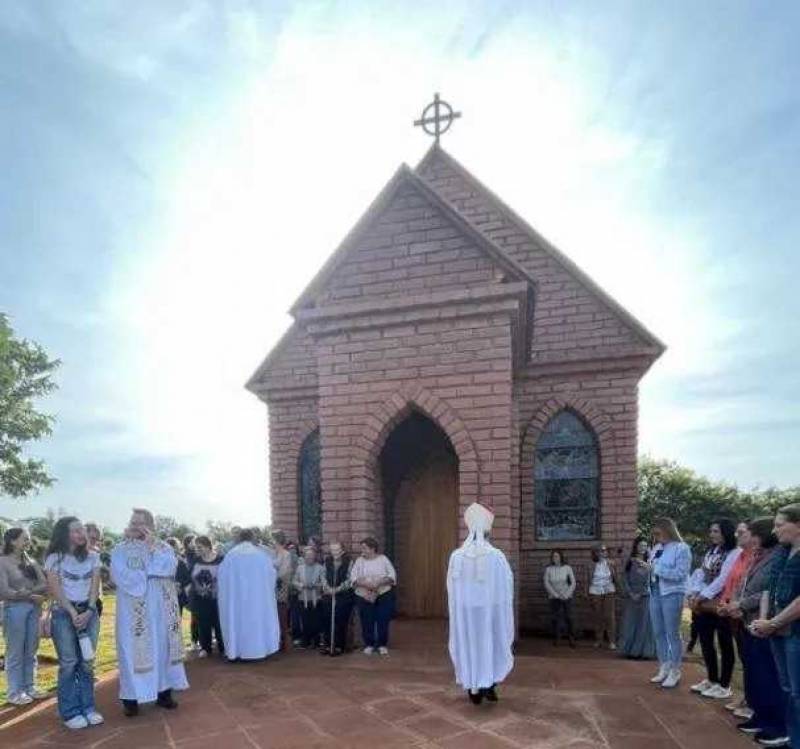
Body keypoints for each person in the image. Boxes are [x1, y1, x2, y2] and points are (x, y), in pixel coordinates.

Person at [111, 508, 188, 717]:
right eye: (132, 522)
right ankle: (131, 698)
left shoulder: (162, 547)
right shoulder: (120, 549)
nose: (135, 526)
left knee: (162, 648)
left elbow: (169, 567)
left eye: (139, 523)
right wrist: (148, 574)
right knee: (131, 651)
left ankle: (164, 692)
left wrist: (151, 551)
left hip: (161, 610)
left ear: (150, 526)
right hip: (132, 610)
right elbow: (120, 575)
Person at [722, 517, 786, 746]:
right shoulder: (759, 556)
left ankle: (776, 724)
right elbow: (743, 584)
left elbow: (770, 590)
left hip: (765, 623)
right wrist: (735, 603)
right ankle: (760, 715)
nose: (752, 539)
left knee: (768, 676)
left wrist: (741, 604)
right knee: (754, 673)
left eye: (754, 535)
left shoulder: (780, 556)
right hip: (748, 621)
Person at [447, 502, 514, 705]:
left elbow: (451, 588)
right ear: (487, 531)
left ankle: (474, 688)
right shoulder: (497, 556)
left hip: (467, 613)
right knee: (490, 645)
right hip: (489, 612)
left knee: (471, 646)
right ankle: (488, 685)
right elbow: (507, 584)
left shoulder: (457, 556)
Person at [44, 516, 103, 729]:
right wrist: (71, 611)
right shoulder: (54, 558)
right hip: (63, 613)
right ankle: (69, 712)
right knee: (68, 663)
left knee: (87, 662)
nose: (81, 534)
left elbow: (94, 587)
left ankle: (88, 707)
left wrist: (88, 610)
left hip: (89, 612)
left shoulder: (94, 557)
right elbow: (55, 589)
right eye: (76, 531)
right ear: (64, 534)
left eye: (82, 530)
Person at [751, 504, 800, 749]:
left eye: (780, 525)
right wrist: (764, 621)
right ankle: (792, 740)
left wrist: (774, 622)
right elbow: (768, 589)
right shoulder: (782, 552)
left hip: (794, 632)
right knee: (788, 688)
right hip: (776, 629)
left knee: (798, 691)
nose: (775, 530)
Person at [688, 518, 740, 699]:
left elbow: (723, 579)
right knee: (706, 641)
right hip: (705, 602)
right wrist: (695, 593)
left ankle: (724, 684)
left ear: (725, 533)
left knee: (725, 643)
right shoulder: (712, 551)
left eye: (716, 531)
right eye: (711, 531)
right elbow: (701, 574)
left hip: (721, 602)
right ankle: (712, 678)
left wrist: (702, 596)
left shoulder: (734, 553)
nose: (712, 535)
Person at [0, 528, 48, 706]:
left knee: (31, 650)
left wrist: (26, 594)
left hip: (33, 609)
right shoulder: (2, 562)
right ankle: (14, 692)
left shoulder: (31, 560)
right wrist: (30, 595)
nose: (28, 541)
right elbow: (3, 591)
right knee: (15, 651)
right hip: (14, 610)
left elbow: (43, 583)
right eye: (24, 538)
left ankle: (30, 687)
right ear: (12, 541)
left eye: (28, 538)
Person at [217, 528, 280, 660]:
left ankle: (237, 650)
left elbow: (221, 576)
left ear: (239, 538)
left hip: (237, 600)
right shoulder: (261, 556)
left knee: (237, 622)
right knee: (257, 622)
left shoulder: (231, 556)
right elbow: (272, 574)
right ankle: (259, 650)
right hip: (257, 599)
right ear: (252, 538)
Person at [648, 517, 691, 689]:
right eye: (654, 533)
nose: (656, 536)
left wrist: (656, 569)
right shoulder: (657, 548)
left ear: (667, 530)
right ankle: (664, 665)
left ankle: (675, 669)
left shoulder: (682, 548)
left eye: (658, 533)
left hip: (672, 593)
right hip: (654, 592)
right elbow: (652, 568)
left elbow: (680, 574)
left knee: (672, 632)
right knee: (658, 632)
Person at [350, 537, 396, 656]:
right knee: (366, 620)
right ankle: (369, 644)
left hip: (382, 594)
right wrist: (365, 584)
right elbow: (353, 578)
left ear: (372, 548)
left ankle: (382, 645)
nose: (362, 550)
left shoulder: (383, 559)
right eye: (362, 548)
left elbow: (392, 576)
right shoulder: (359, 561)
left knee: (382, 620)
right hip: (364, 595)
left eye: (365, 548)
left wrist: (378, 583)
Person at [618, 537, 656, 660]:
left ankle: (643, 652)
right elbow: (624, 579)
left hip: (645, 596)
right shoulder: (629, 561)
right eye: (641, 546)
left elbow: (651, 580)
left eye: (645, 546)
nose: (643, 548)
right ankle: (629, 650)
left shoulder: (649, 562)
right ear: (636, 546)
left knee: (644, 624)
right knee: (630, 622)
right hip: (631, 597)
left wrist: (642, 592)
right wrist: (630, 593)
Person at [189, 536, 224, 658]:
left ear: (208, 546)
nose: (198, 550)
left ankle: (223, 646)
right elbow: (191, 577)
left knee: (219, 622)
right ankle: (205, 648)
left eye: (200, 547)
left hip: (217, 598)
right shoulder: (195, 560)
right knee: (203, 623)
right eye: (196, 548)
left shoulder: (221, 559)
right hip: (200, 598)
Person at [320, 541, 353, 656]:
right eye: (333, 550)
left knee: (340, 620)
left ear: (342, 550)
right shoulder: (327, 561)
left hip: (343, 596)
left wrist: (338, 589)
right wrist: (327, 587)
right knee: (327, 620)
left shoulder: (348, 561)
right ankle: (328, 645)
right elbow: (323, 575)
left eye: (337, 550)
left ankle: (339, 646)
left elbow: (350, 579)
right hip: (328, 594)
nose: (335, 552)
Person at [587, 543, 619, 650]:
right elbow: (587, 580)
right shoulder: (590, 564)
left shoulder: (611, 563)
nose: (602, 553)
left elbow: (616, 578)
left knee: (609, 616)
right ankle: (599, 639)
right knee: (598, 616)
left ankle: (612, 641)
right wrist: (586, 592)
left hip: (608, 590)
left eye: (604, 551)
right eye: (600, 551)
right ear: (595, 553)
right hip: (595, 590)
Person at [293, 546, 325, 649]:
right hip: (303, 598)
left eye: (311, 556)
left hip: (317, 598)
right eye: (307, 556)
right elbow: (294, 581)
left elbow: (324, 582)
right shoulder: (299, 567)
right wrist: (302, 585)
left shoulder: (320, 567)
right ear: (304, 556)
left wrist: (316, 585)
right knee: (305, 621)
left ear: (315, 556)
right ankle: (306, 641)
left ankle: (316, 642)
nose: (309, 558)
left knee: (316, 621)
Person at [543, 550, 576, 647]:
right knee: (555, 618)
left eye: (557, 556)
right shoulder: (548, 569)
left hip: (567, 596)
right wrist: (555, 594)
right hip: (554, 597)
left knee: (568, 617)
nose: (555, 558)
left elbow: (573, 582)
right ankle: (556, 637)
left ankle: (571, 637)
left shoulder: (567, 568)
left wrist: (567, 594)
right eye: (553, 557)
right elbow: (546, 583)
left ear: (561, 557)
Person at [272, 531, 295, 651]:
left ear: (277, 540)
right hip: (271, 588)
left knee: (281, 613)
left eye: (273, 540)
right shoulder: (271, 553)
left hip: (281, 587)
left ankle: (283, 641)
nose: (272, 542)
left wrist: (273, 577)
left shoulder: (286, 554)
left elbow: (285, 572)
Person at [182, 535, 200, 652]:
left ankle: (199, 639)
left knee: (199, 616)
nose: (195, 543)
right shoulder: (189, 556)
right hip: (193, 590)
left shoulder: (195, 555)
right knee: (195, 616)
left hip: (200, 588)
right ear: (188, 544)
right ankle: (194, 641)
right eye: (193, 541)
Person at [84, 523, 105, 618]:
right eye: (92, 538)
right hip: (76, 599)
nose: (94, 542)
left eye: (97, 539)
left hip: (95, 600)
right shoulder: (70, 555)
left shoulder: (96, 553)